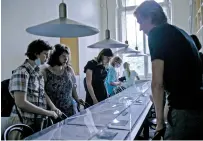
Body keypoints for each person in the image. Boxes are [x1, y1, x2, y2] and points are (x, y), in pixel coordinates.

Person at [134, 1, 203, 140]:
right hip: (197, 108)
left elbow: (157, 83)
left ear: (150, 17)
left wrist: (159, 123)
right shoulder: (180, 33)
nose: (140, 28)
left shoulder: (157, 33)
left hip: (184, 112)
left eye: (140, 21)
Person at [8, 39, 62, 138]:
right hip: (22, 122)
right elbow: (21, 103)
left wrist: (53, 107)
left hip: (36, 122)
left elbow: (42, 93)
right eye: (45, 54)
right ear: (36, 54)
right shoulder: (22, 72)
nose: (47, 57)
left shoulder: (38, 73)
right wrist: (48, 112)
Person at [42, 44, 84, 117]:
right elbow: (43, 92)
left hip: (70, 109)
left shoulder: (69, 69)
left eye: (67, 56)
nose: (66, 58)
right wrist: (53, 107)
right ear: (55, 56)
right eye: (63, 56)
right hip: (54, 112)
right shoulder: (45, 72)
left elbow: (73, 87)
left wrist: (77, 99)